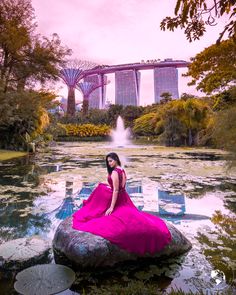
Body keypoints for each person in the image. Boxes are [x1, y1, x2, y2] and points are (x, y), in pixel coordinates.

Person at [72, 152, 172, 255]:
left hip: (117, 198)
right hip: (123, 196)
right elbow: (122, 187)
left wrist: (111, 207)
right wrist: (110, 188)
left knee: (99, 190)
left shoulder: (115, 172)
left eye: (111, 161)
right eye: (108, 162)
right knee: (102, 187)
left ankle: (91, 210)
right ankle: (94, 207)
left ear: (116, 159)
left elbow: (116, 190)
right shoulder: (122, 170)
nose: (109, 163)